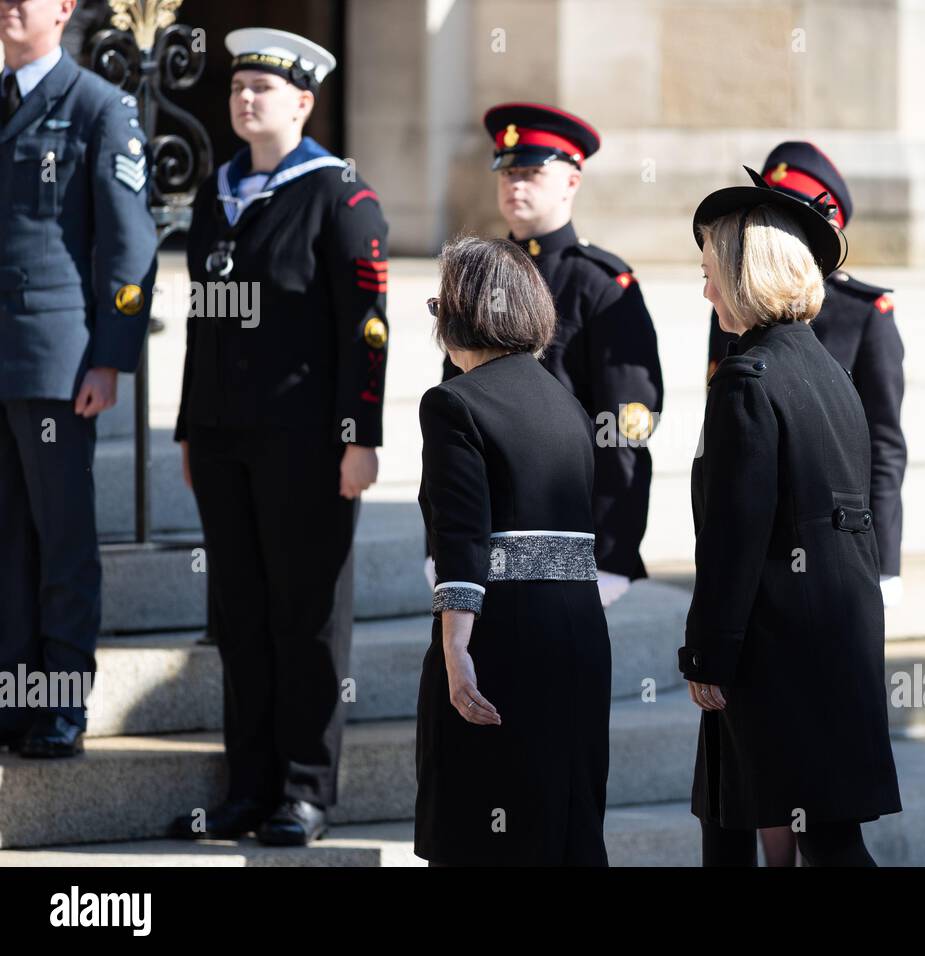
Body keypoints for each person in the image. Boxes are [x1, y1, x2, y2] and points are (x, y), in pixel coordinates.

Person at [165, 28, 389, 845]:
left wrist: (360, 435)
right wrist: (192, 427)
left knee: (307, 618)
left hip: (308, 443)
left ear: (303, 102)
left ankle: (304, 790)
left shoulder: (338, 195)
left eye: (263, 89)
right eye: (236, 89)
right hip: (226, 441)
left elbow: (366, 324)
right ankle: (248, 787)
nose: (244, 99)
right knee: (241, 615)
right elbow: (204, 323)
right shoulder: (217, 193)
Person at [680, 167, 903, 866]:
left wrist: (706, 652)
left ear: (747, 275)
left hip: (774, 648)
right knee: (827, 835)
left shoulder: (749, 380)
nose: (707, 286)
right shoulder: (822, 369)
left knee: (797, 839)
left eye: (713, 269)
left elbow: (735, 536)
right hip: (833, 637)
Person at [415, 236, 612, 866]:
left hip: (499, 640)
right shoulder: (569, 406)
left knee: (482, 836)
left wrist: (455, 647)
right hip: (578, 638)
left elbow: (462, 535)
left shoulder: (453, 403)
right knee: (565, 832)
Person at [0, 0, 157, 757]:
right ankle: (12, 696)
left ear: (64, 10)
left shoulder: (99, 105)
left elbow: (129, 246)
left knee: (62, 538)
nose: (7, 7)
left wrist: (110, 356)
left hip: (57, 362)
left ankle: (60, 705)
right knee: (5, 541)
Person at [431, 102, 663, 608]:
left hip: (566, 527)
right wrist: (442, 538)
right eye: (508, 171)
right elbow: (452, 411)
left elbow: (623, 429)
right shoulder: (477, 278)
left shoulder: (602, 283)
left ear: (571, 182)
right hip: (485, 525)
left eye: (533, 172)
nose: (516, 184)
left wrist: (612, 552)